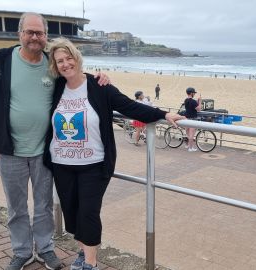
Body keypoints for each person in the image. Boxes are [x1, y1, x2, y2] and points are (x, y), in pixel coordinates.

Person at [0, 13, 110, 270]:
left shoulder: (52, 63)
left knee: (44, 206)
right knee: (16, 208)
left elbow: (75, 76)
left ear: (45, 36)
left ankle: (46, 249)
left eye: (39, 33)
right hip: (9, 149)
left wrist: (99, 79)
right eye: (30, 32)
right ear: (20, 34)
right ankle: (22, 251)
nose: (34, 37)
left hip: (45, 151)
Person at [43, 37, 184, 270]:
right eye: (60, 61)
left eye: (69, 58)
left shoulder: (100, 86)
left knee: (88, 212)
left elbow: (129, 106)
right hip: (61, 163)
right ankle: (82, 252)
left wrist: (164, 114)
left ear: (77, 58)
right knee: (72, 211)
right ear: (55, 66)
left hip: (94, 163)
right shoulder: (56, 87)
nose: (65, 64)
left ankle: (90, 263)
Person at [183, 87, 201, 152]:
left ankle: (188, 145)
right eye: (194, 93)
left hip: (186, 118)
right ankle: (190, 148)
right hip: (192, 119)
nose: (194, 94)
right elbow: (199, 109)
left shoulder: (186, 100)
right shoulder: (193, 101)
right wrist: (200, 101)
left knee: (188, 133)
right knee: (191, 135)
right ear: (191, 93)